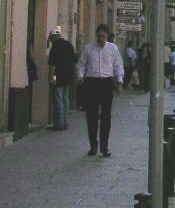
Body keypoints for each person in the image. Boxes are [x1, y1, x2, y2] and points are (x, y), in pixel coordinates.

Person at [75, 24, 124, 157]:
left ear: (107, 36)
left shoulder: (113, 48)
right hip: (91, 82)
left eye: (103, 36)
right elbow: (81, 64)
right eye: (99, 36)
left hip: (106, 82)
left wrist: (119, 82)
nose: (101, 39)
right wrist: (80, 76)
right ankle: (93, 145)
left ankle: (104, 147)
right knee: (92, 115)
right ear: (96, 35)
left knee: (106, 115)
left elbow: (118, 66)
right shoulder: (88, 48)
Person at [47, 27, 76, 131]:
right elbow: (74, 60)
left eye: (51, 39)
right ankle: (65, 122)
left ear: (53, 37)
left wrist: (51, 77)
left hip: (58, 77)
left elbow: (53, 65)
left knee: (58, 99)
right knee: (65, 99)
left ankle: (59, 123)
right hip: (68, 77)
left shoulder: (55, 47)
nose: (50, 41)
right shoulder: (69, 45)